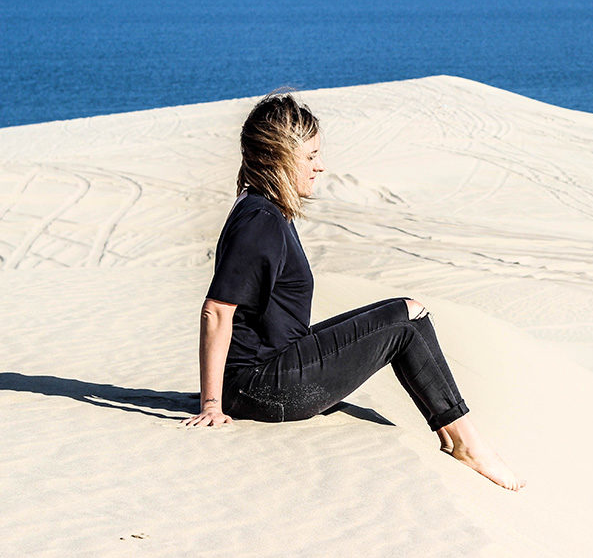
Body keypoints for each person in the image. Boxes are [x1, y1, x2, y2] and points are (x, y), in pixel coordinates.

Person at [183, 90, 525, 492]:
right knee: (407, 321)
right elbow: (217, 310)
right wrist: (211, 404)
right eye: (310, 156)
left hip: (268, 372)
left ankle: (456, 438)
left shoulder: (265, 210)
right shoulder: (260, 220)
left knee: (407, 312)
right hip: (262, 386)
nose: (320, 166)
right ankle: (466, 443)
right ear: (279, 156)